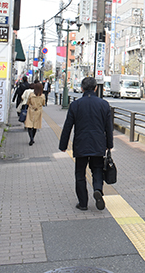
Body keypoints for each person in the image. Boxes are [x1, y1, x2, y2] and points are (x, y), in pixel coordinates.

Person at [59, 77, 114, 211]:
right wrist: (109, 144)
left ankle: (83, 203)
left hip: (81, 143)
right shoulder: (104, 104)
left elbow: (68, 126)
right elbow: (109, 127)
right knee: (97, 170)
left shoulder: (75, 105)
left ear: (82, 88)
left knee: (80, 173)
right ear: (96, 88)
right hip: (98, 143)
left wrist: (63, 145)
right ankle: (97, 189)